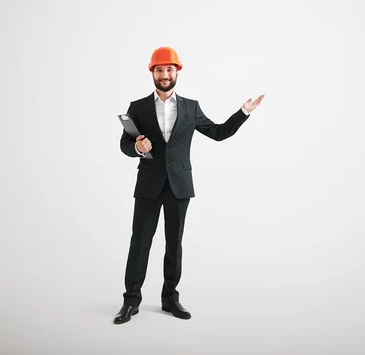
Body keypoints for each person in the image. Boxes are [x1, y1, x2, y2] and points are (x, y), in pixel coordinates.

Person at [113, 47, 264, 324]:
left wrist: (244, 112)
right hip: (148, 185)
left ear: (177, 72)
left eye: (170, 69)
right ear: (152, 72)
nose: (165, 74)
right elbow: (125, 143)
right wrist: (136, 146)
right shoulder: (138, 107)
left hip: (179, 186)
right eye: (160, 69)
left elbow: (218, 133)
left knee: (174, 244)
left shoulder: (191, 107)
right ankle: (131, 301)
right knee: (140, 243)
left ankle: (170, 299)